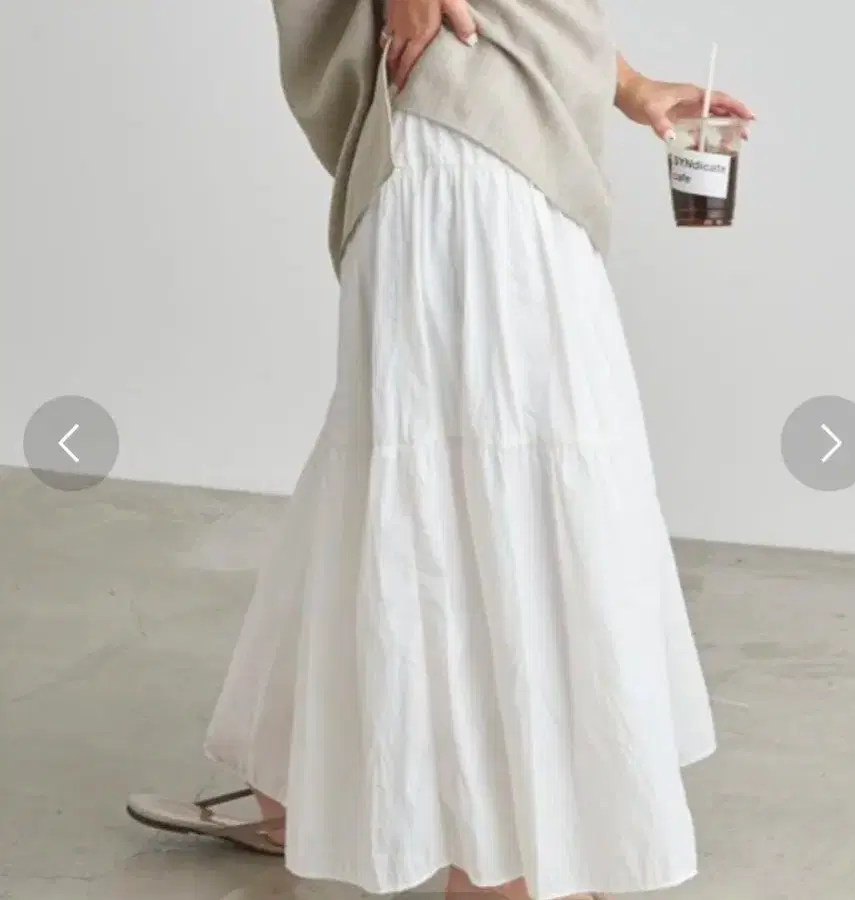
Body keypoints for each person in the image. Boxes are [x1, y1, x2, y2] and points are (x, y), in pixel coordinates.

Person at [127, 0, 754, 897]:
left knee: (423, 448)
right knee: (487, 462)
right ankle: (501, 860)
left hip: (496, 130)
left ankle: (304, 785)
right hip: (465, 151)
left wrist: (628, 85)